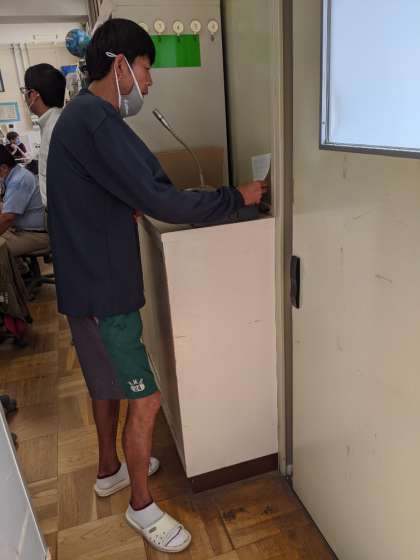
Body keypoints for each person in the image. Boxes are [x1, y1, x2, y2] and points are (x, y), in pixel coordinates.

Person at [47, 18, 266, 554]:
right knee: (145, 400)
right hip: (106, 290)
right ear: (120, 64)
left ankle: (109, 471)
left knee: (105, 384)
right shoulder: (97, 120)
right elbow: (160, 198)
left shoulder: (78, 117)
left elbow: (115, 190)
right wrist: (237, 197)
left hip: (83, 284)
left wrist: (127, 204)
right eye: (146, 68)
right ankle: (141, 507)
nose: (149, 81)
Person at [21, 64, 66, 206]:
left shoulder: (55, 128)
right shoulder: (53, 122)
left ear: (33, 94)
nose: (25, 96)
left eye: (25, 91)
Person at [0, 145, 48, 256]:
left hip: (36, 235)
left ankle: (17, 266)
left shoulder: (18, 181)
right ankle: (19, 266)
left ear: (4, 168)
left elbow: (7, 218)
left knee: (1, 249)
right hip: (22, 230)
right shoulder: (17, 174)